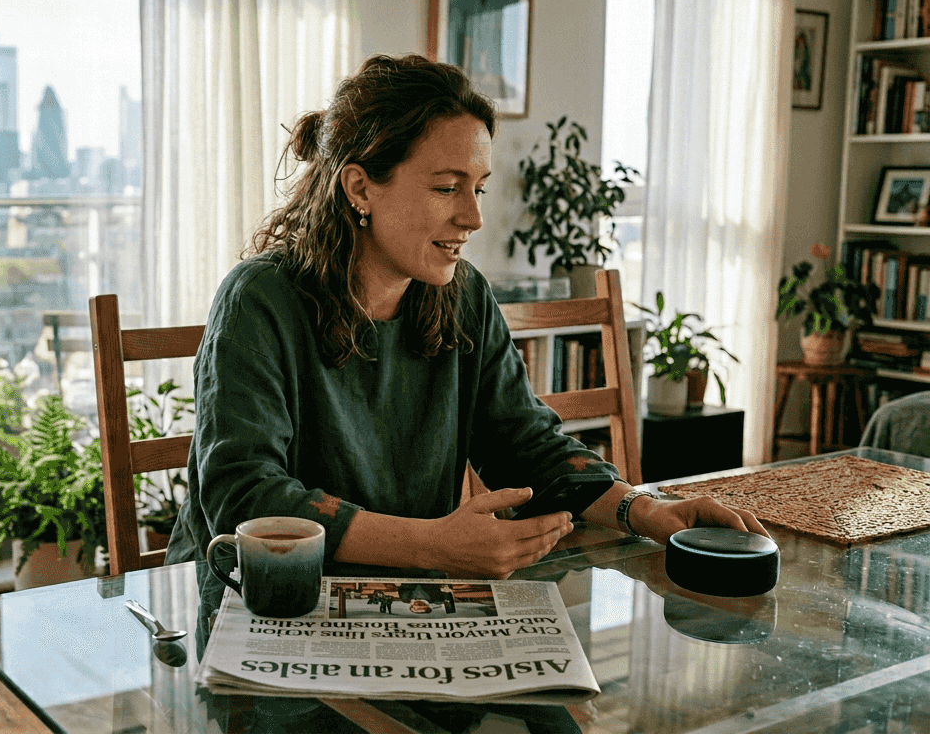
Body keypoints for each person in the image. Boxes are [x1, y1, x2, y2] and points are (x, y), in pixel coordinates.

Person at [164, 54, 766, 618]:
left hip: (405, 605)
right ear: (360, 188)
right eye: (446, 187)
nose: (473, 218)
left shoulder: (463, 295)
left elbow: (525, 445)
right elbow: (247, 499)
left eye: (477, 188)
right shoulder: (259, 300)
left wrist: (646, 510)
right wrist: (434, 545)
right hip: (257, 604)